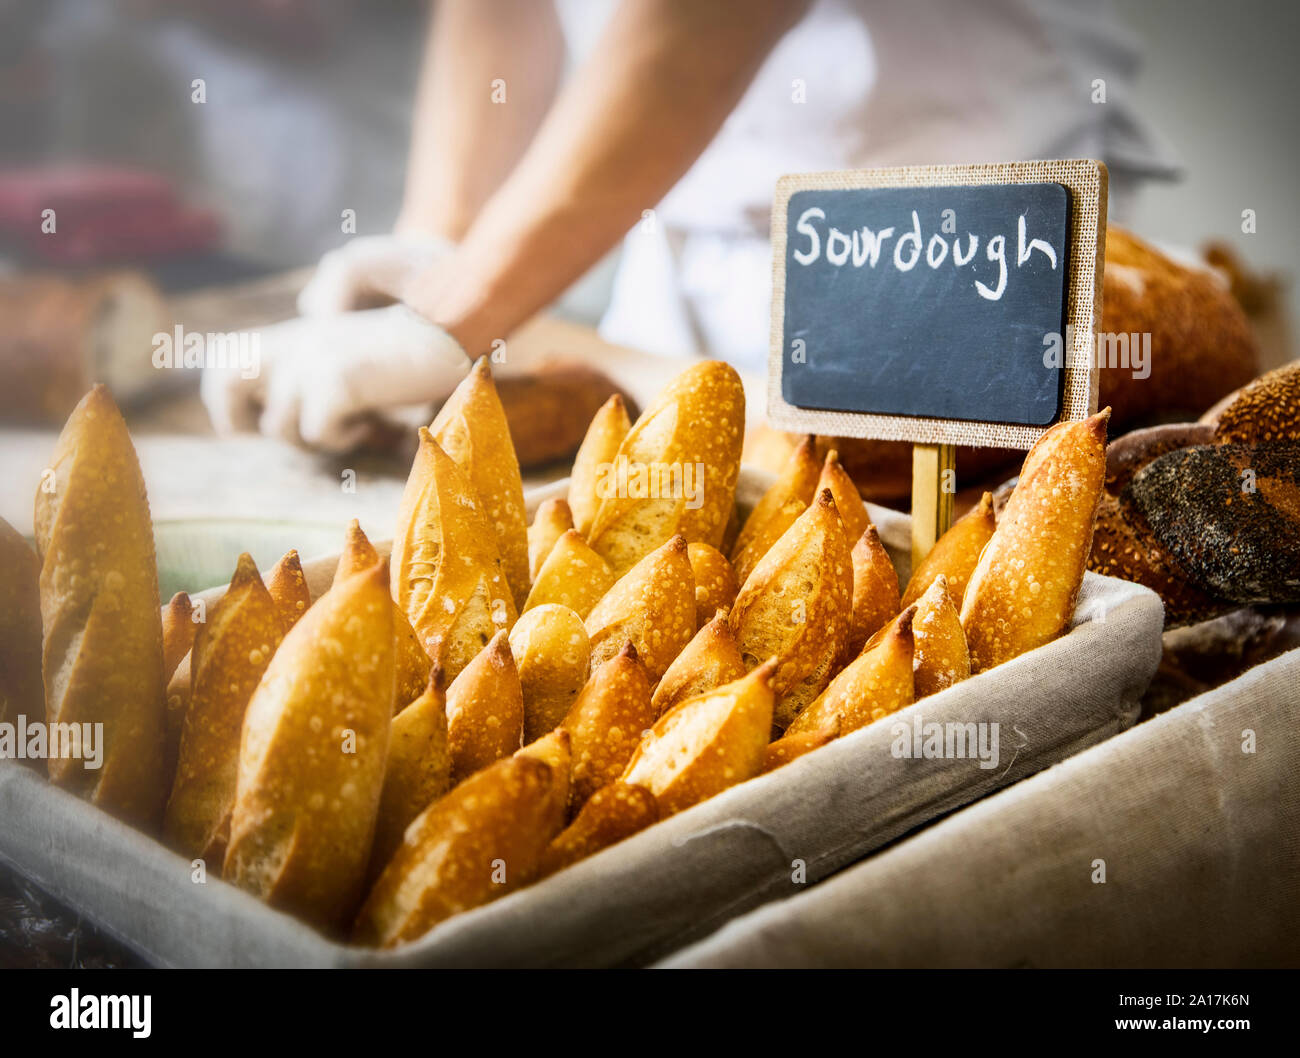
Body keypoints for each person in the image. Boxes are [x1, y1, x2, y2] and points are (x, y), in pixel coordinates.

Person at [204, 0, 1175, 451]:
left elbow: (704, 19)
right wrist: (439, 252)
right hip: (674, 241)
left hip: (947, 227)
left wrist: (451, 319)